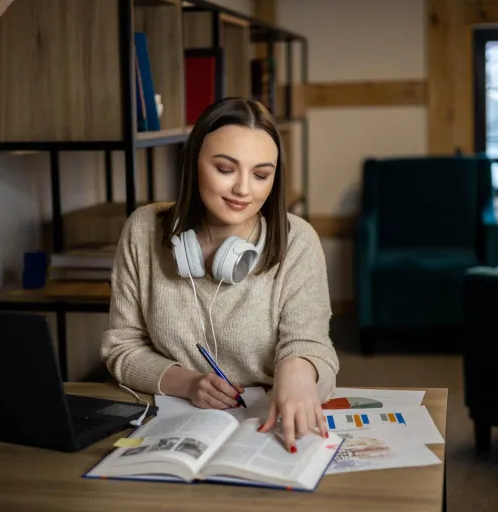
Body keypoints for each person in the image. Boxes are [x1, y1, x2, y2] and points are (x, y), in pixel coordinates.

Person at [101, 97, 339, 453]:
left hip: (262, 427)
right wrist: (188, 383)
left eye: (261, 175)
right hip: (174, 423)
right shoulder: (143, 230)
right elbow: (122, 346)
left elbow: (312, 346)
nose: (244, 189)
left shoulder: (298, 240)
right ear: (194, 163)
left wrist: (299, 369)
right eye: (226, 169)